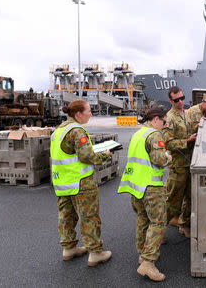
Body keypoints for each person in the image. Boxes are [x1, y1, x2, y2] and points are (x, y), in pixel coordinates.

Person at [50, 99, 112, 267]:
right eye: (89, 111)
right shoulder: (77, 131)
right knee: (89, 217)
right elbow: (86, 156)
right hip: (81, 183)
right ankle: (95, 253)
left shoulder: (59, 130)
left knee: (66, 216)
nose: (91, 114)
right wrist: (105, 154)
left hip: (63, 183)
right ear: (78, 114)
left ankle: (69, 248)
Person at [118, 107, 172, 282]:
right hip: (151, 187)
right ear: (156, 119)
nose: (164, 125)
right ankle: (148, 263)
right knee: (158, 222)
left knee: (143, 219)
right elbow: (160, 160)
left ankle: (142, 254)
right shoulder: (155, 135)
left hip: (136, 186)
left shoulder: (138, 134)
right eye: (164, 121)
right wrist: (168, 157)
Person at [162, 86, 197, 238]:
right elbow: (168, 143)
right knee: (172, 201)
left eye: (182, 98)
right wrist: (186, 141)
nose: (181, 102)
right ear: (171, 100)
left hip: (190, 164)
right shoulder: (169, 118)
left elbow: (190, 129)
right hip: (178, 167)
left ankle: (185, 225)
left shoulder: (186, 114)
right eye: (177, 100)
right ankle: (159, 232)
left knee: (190, 198)